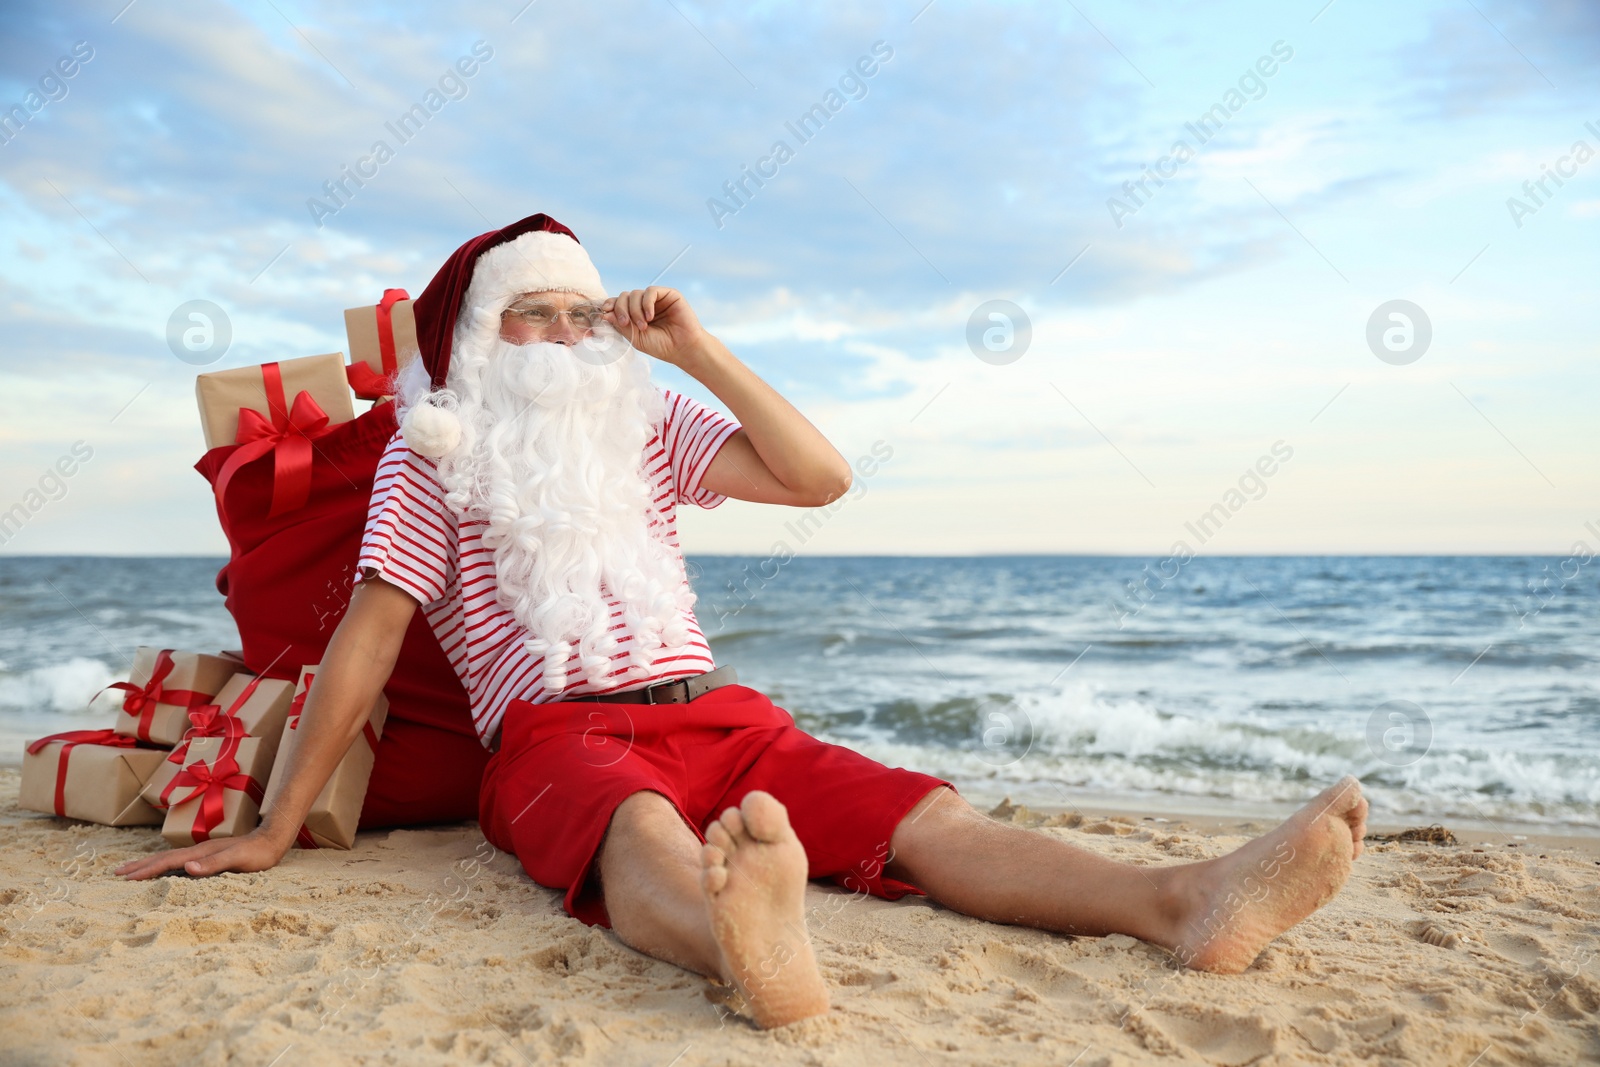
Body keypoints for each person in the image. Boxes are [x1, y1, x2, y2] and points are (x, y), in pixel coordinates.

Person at [118, 213, 1369, 1029]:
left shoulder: (646, 421)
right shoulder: (430, 453)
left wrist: (697, 350)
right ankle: (742, 942)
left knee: (919, 812)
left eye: (579, 313)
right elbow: (371, 636)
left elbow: (818, 477)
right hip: (556, 737)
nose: (560, 337)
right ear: (476, 339)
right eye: (529, 314)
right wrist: (280, 822)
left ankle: (1183, 901)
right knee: (639, 829)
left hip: (719, 712)